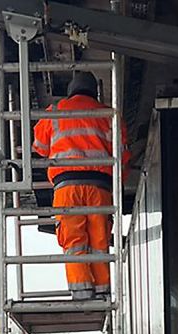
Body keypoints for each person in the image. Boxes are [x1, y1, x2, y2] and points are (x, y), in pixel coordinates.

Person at [32, 71, 131, 301]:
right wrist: (117, 187)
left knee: (74, 241)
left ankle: (81, 294)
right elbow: (123, 157)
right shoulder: (110, 115)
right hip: (101, 188)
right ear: (95, 92)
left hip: (67, 187)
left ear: (71, 90)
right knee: (99, 241)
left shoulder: (54, 113)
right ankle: (103, 294)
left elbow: (39, 147)